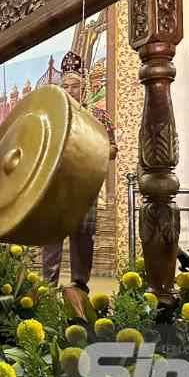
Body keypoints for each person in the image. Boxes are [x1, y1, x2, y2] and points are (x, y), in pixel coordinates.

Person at [40, 52, 117, 293]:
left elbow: (113, 149)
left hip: (85, 183)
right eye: (66, 86)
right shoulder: (53, 115)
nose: (70, 90)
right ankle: (47, 287)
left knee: (83, 235)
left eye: (75, 86)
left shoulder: (98, 116)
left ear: (84, 87)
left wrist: (96, 149)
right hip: (57, 183)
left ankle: (79, 286)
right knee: (51, 234)